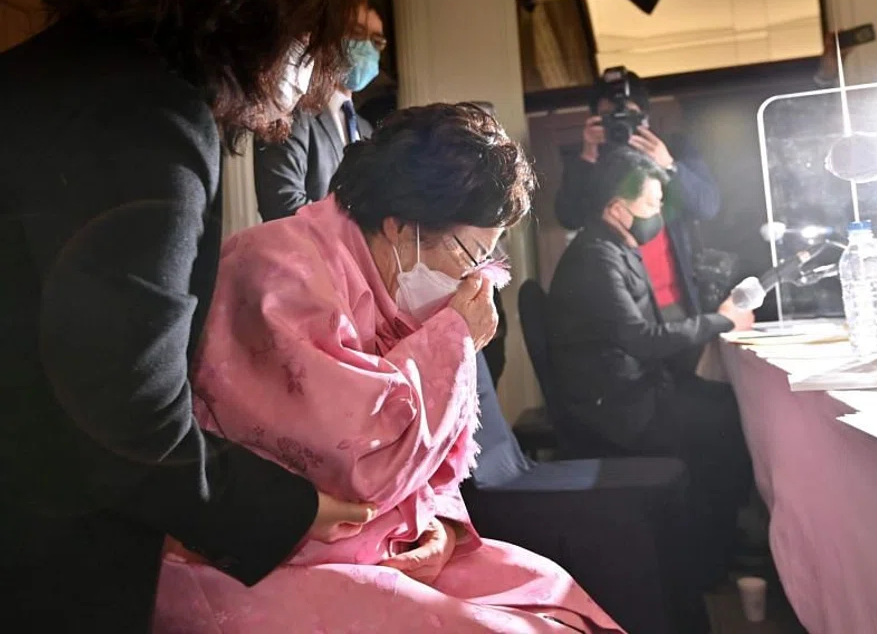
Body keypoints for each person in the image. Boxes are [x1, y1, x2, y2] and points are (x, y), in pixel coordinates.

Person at [153, 103, 623, 633]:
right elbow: (355, 456)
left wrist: (440, 524)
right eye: (472, 255)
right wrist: (454, 340)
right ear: (403, 228)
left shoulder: (386, 282)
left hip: (383, 544)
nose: (478, 280)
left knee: (553, 595)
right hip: (270, 556)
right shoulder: (279, 269)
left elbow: (427, 464)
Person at [0, 0, 380, 630]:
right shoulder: (143, 114)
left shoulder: (46, 72)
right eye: (311, 35)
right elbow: (125, 413)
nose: (314, 64)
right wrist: (289, 509)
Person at [548, 146, 754, 589]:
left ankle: (717, 541)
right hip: (616, 408)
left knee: (722, 404)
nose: (658, 215)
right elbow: (642, 338)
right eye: (650, 204)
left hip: (636, 389)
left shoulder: (618, 246)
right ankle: (705, 561)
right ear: (617, 209)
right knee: (721, 425)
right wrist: (722, 321)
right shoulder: (595, 258)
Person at [556, 69, 720, 313]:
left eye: (629, 115)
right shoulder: (589, 160)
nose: (620, 123)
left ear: (645, 117)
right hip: (617, 302)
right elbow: (568, 217)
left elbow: (708, 206)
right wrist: (588, 156)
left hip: (673, 298)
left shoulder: (673, 148)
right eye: (608, 117)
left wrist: (670, 166)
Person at [254, 2, 383, 222]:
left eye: (376, 40)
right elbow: (281, 202)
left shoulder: (367, 130)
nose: (367, 46)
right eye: (357, 33)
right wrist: (352, 234)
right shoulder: (291, 111)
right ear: (330, 36)